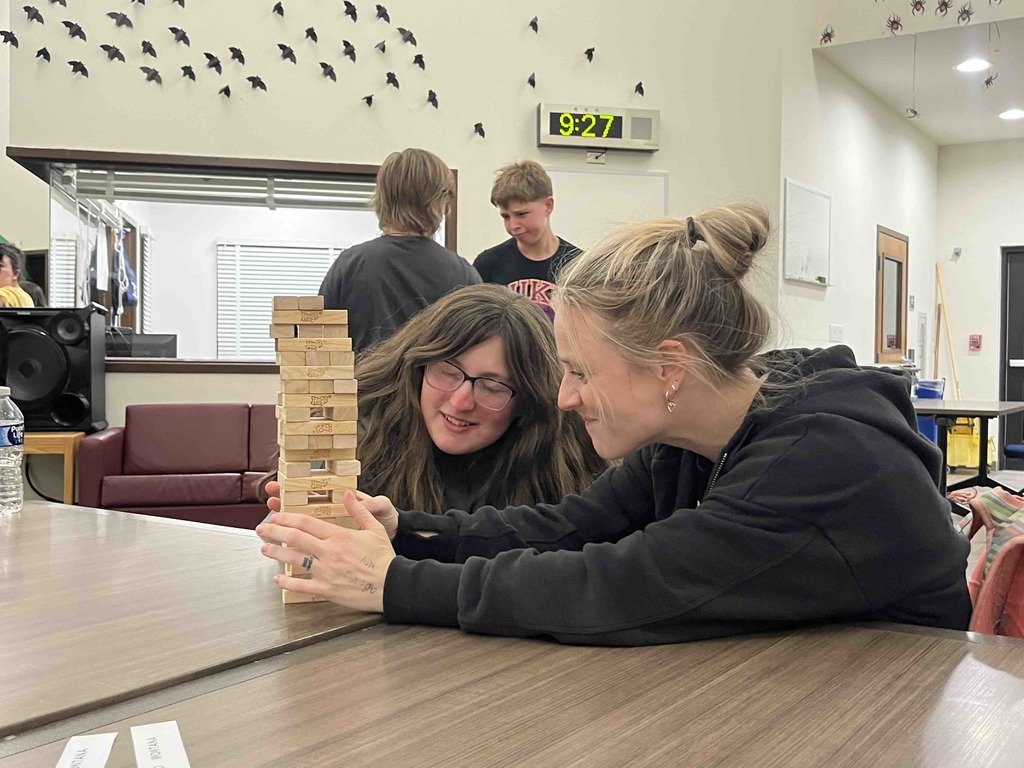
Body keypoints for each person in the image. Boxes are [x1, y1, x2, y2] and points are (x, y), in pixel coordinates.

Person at [259, 203, 972, 646]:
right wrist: (405, 533)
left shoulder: (823, 463)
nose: (564, 397)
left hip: (887, 696)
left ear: (668, 367)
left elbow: (617, 586)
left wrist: (393, 586)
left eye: (580, 372)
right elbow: (565, 527)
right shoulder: (690, 437)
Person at [259, 284, 605, 514]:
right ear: (418, 366)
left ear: (528, 401)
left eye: (492, 386)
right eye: (448, 372)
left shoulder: (561, 461)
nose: (460, 401)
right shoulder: (360, 428)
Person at [319, 148, 480, 355]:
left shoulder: (350, 264)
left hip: (363, 386)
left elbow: (317, 343)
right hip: (437, 387)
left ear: (383, 198)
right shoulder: (464, 274)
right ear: (439, 203)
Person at [472, 161, 579, 320]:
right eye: (506, 217)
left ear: (548, 206)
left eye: (521, 214)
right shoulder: (488, 264)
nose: (513, 226)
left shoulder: (578, 265)